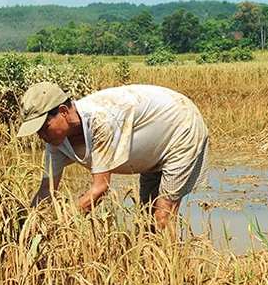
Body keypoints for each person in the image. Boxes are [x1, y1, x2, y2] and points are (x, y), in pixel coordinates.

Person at [17, 82, 209, 232]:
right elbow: (46, 190)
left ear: (64, 112)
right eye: (37, 130)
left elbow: (101, 188)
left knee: (162, 217)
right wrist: (31, 225)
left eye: (44, 127)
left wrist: (60, 223)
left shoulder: (100, 120)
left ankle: (172, 277)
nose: (41, 135)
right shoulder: (55, 141)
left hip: (181, 126)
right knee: (147, 218)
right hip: (151, 147)